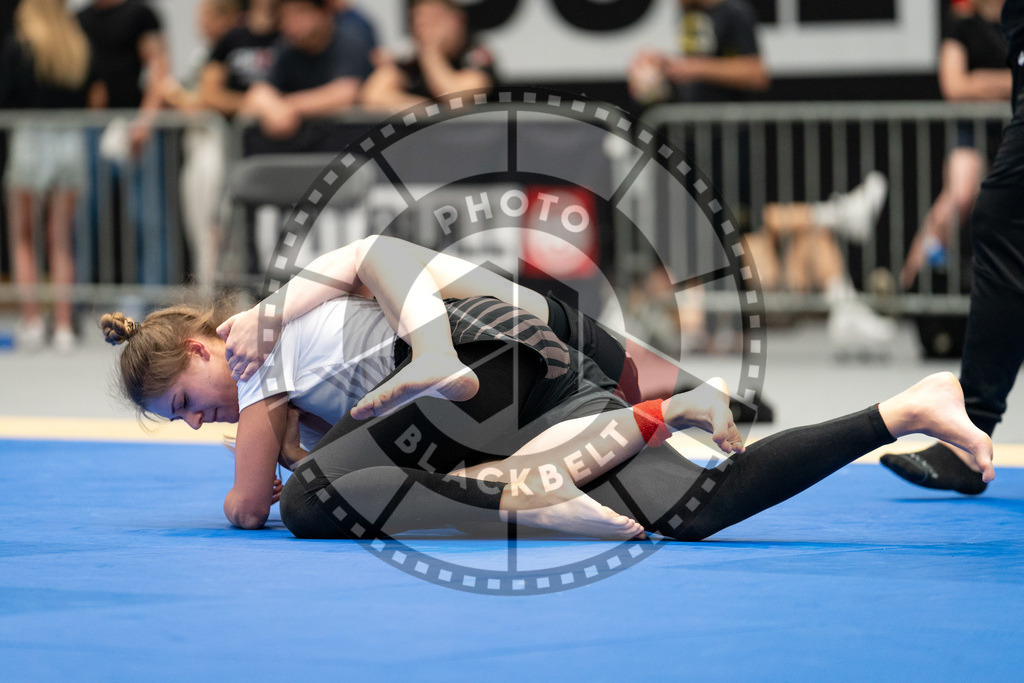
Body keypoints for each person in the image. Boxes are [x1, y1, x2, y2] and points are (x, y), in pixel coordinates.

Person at [101, 238, 994, 540]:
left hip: (489, 366)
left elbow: (248, 506)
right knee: (691, 510)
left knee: (312, 502)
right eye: (181, 419)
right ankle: (904, 408)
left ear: (208, 345)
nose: (198, 418)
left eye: (186, 399)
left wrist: (253, 464)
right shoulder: (288, 364)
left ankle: (534, 491)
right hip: (522, 374)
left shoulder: (261, 356)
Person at [881, 0, 1024, 495]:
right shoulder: (965, 28)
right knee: (986, 210)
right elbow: (956, 86)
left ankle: (971, 432)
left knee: (999, 215)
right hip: (988, 128)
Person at [1, 0, 104, 352]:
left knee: (24, 236)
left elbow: (7, 94)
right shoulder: (75, 42)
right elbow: (91, 93)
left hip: (29, 135)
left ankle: (31, 320)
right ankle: (62, 325)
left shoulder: (21, 43)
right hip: (69, 139)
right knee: (61, 239)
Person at [900, 0, 1011, 289]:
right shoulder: (962, 27)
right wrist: (1007, 83)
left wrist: (979, 82)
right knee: (958, 198)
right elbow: (954, 86)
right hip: (972, 133)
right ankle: (909, 283)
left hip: (1013, 132)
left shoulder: (1016, 24)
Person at [742, 172, 897, 352]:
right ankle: (841, 213)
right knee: (771, 218)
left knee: (815, 236)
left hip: (783, 293)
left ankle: (844, 307)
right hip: (761, 304)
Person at [239, 0, 371, 140]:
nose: (291, 23)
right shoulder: (285, 48)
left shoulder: (349, 41)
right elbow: (259, 92)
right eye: (284, 16)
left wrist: (288, 107)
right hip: (300, 147)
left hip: (346, 144)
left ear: (324, 12)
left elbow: (344, 93)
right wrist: (273, 108)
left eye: (300, 12)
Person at [360, 0, 495, 111]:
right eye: (418, 20)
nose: (423, 28)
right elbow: (372, 96)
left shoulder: (475, 55)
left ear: (457, 20)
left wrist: (430, 53)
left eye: (433, 19)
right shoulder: (412, 60)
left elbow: (453, 95)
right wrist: (425, 109)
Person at [628, 0, 769, 106]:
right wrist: (662, 67)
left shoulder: (735, 12)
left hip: (730, 131)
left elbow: (757, 74)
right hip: (694, 131)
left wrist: (695, 68)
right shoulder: (688, 12)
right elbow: (694, 64)